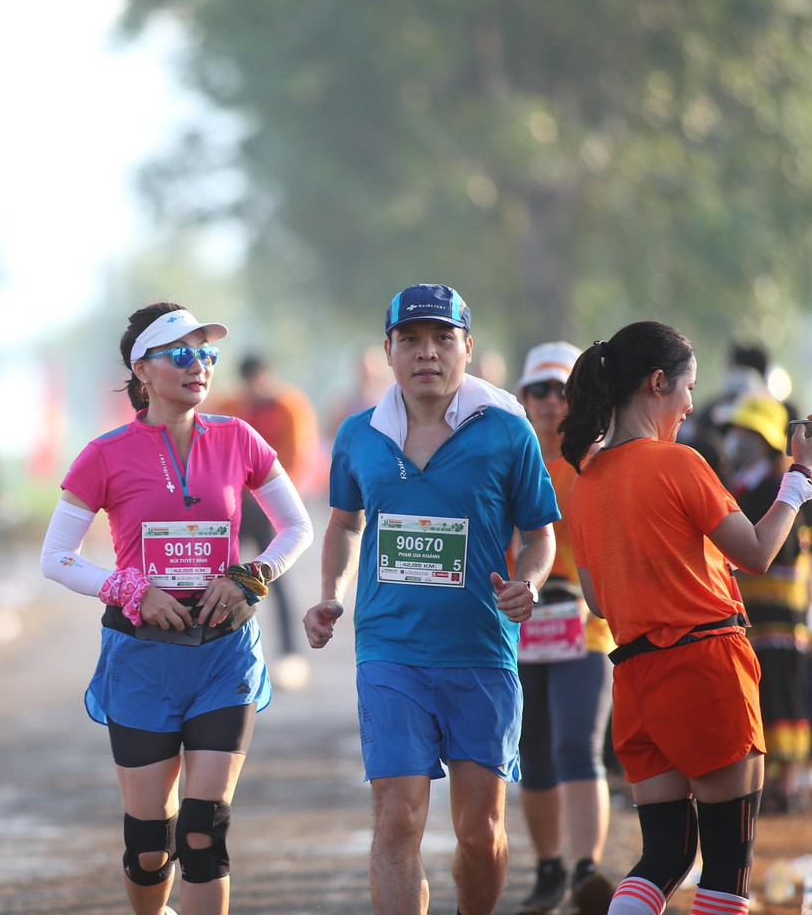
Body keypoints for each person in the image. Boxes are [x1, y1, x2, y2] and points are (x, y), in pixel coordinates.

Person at [41, 303, 313, 915]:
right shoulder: (104, 454)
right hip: (142, 659)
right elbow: (56, 558)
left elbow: (295, 527)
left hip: (224, 656)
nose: (200, 366)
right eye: (182, 354)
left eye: (208, 354)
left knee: (203, 833)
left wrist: (251, 574)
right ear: (142, 369)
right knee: (148, 847)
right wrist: (130, 589)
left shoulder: (239, 438)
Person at [303, 284, 560, 915]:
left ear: (467, 349)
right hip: (390, 651)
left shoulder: (507, 432)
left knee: (481, 832)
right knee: (397, 820)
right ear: (387, 351)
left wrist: (528, 581)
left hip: (481, 651)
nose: (427, 353)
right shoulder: (359, 435)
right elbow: (343, 522)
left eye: (443, 338)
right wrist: (330, 595)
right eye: (411, 340)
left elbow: (540, 533)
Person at [558, 322, 812, 915]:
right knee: (728, 863)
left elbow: (599, 599)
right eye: (687, 388)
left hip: (637, 681)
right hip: (705, 667)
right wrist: (797, 482)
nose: (692, 404)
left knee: (665, 857)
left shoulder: (586, 484)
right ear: (657, 384)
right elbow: (754, 552)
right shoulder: (679, 464)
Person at [511, 342, 616, 914]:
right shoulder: (508, 458)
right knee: (534, 752)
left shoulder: (598, 463)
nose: (551, 401)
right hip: (521, 624)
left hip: (585, 626)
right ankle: (550, 869)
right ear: (523, 399)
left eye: (562, 389)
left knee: (579, 745)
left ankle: (585, 871)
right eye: (540, 390)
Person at [719, 393, 811, 814]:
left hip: (782, 613)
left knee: (785, 699)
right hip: (754, 614)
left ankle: (786, 784)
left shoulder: (778, 478)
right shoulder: (743, 480)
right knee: (764, 695)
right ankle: (772, 781)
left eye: (750, 432)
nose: (741, 439)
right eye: (739, 430)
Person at [211, 354, 319, 687]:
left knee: (274, 577)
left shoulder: (290, 406)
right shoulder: (229, 404)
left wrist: (279, 501)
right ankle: (212, 648)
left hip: (267, 505)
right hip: (232, 505)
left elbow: (298, 457)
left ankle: (290, 653)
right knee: (216, 573)